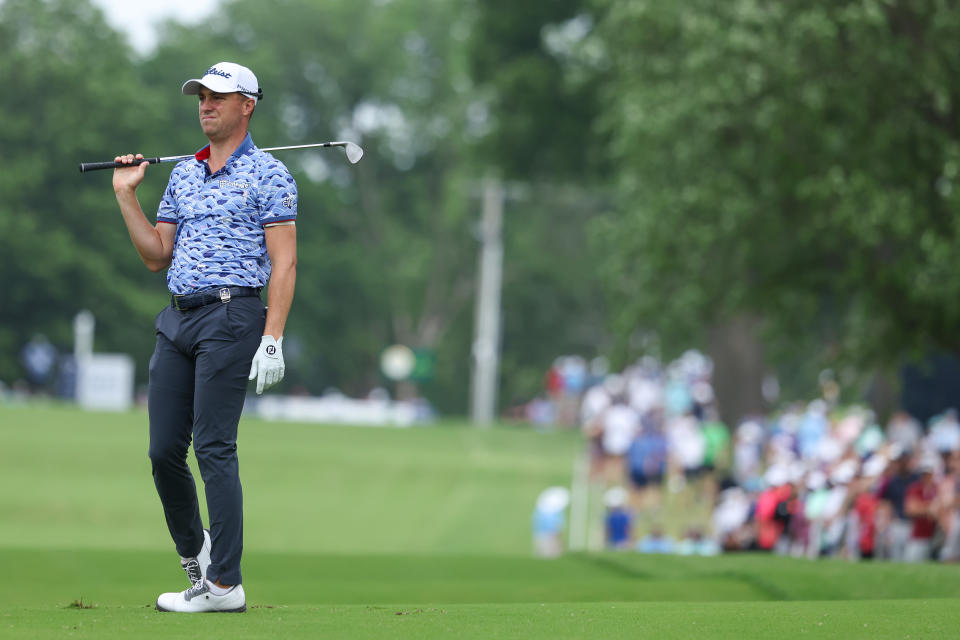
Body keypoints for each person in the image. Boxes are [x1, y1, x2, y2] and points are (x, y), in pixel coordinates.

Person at [112, 62, 298, 613]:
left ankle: (225, 585)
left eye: (219, 97)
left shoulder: (271, 175)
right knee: (163, 450)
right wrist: (127, 195)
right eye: (201, 96)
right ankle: (197, 559)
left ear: (248, 105)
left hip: (232, 316)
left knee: (214, 448)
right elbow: (155, 256)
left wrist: (273, 337)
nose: (206, 105)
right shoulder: (183, 175)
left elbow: (284, 265)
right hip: (177, 319)